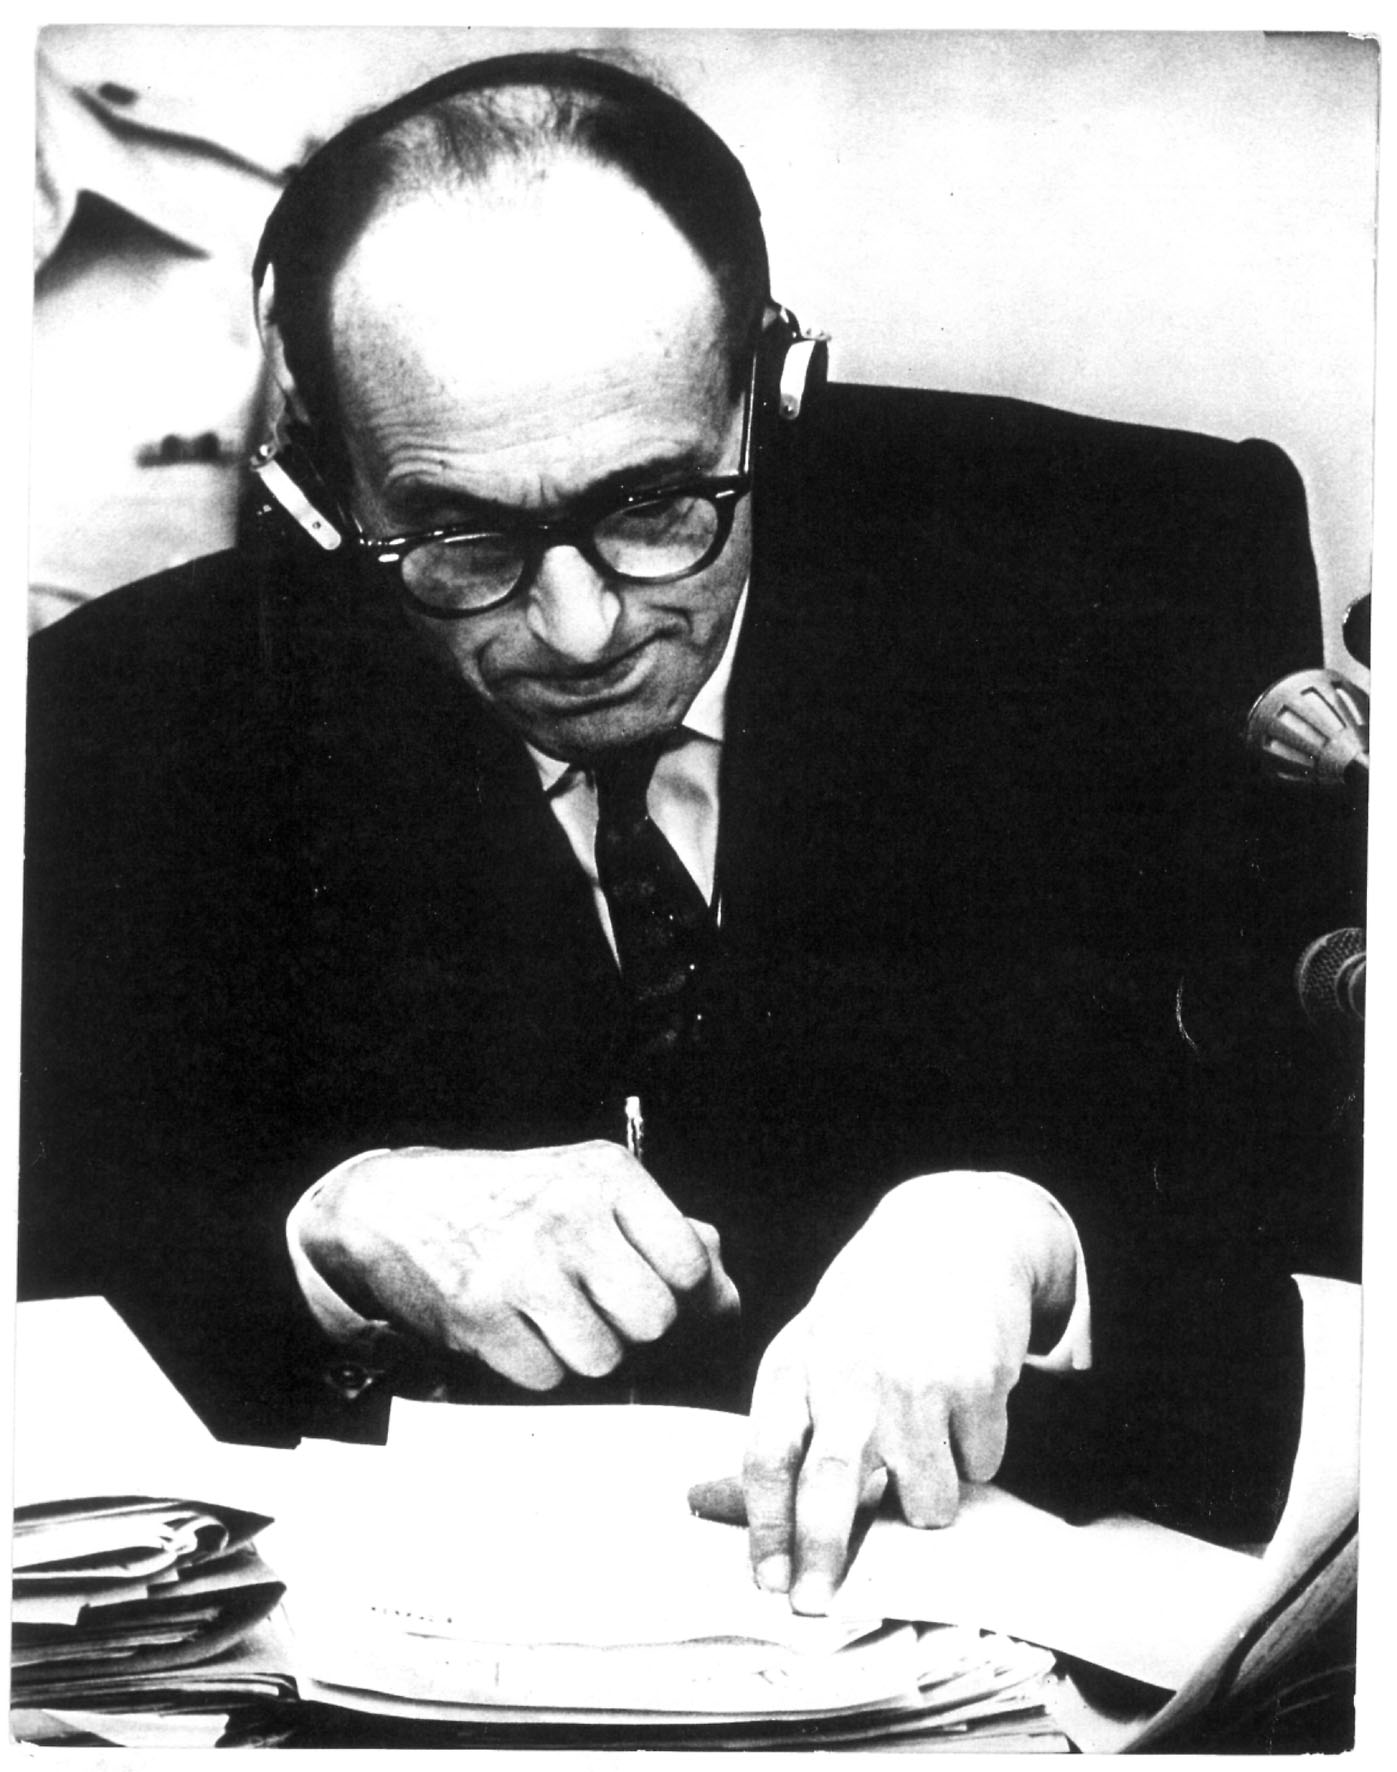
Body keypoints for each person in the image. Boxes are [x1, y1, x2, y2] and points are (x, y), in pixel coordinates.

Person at [21, 52, 1360, 1615]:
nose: (579, 628)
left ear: (769, 390)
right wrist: (326, 1230)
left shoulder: (1127, 583)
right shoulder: (121, 712)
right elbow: (51, 1221)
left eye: (656, 505)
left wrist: (1039, 1246)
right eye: (458, 535)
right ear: (320, 483)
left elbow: (1322, 1195)